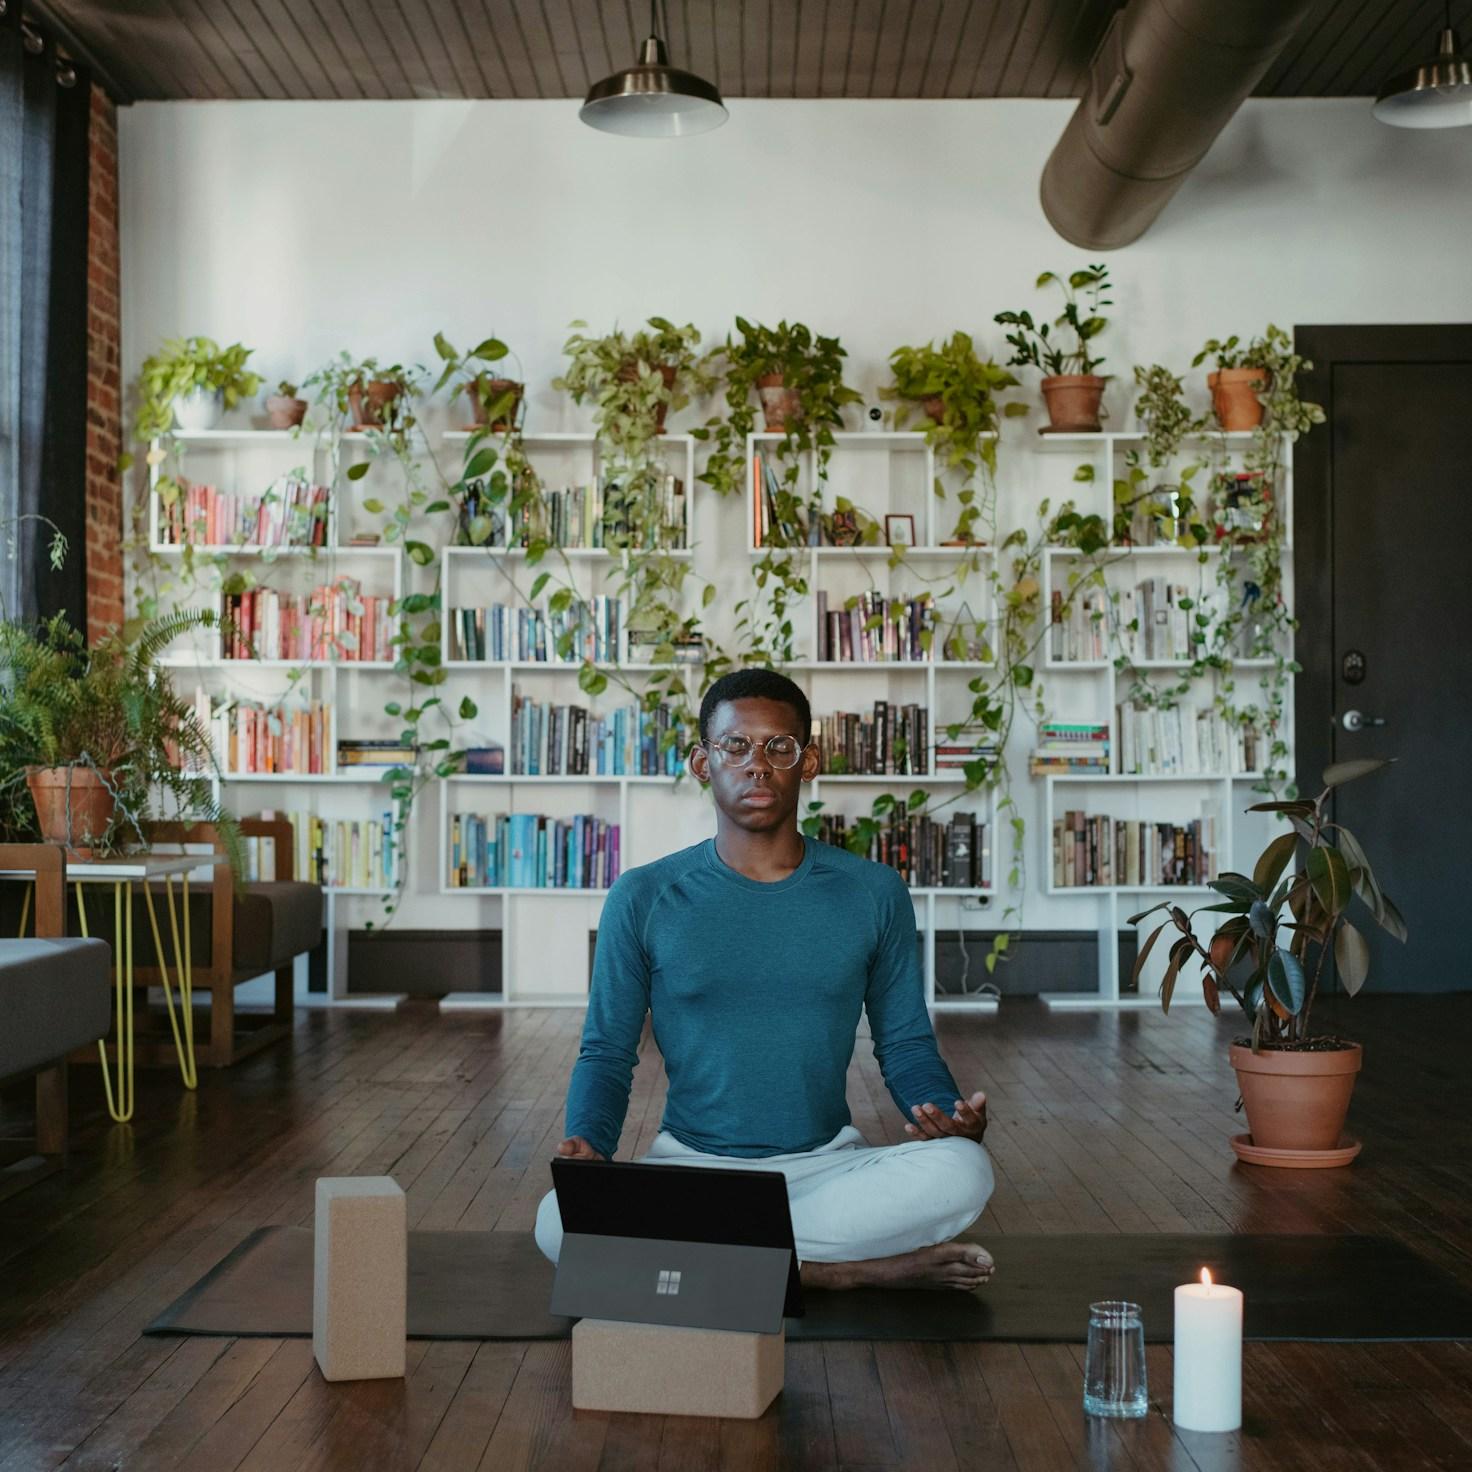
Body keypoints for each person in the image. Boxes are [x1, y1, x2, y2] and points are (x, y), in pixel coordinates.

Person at [534, 668, 995, 1291]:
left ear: (808, 763)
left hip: (825, 1167)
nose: (757, 764)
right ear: (703, 762)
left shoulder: (872, 892)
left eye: (779, 747)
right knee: (557, 1221)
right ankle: (834, 1275)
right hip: (691, 1169)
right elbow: (607, 1052)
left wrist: (948, 1119)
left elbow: (906, 1044)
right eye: (736, 746)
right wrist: (589, 1143)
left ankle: (720, 1263)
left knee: (964, 1170)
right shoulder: (642, 896)